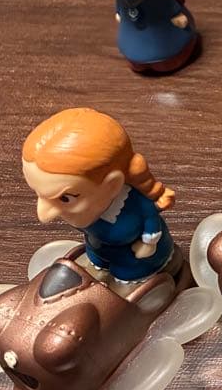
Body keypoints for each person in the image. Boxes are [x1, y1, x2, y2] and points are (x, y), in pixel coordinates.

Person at [21, 107, 181, 289]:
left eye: (64, 198)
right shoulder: (86, 209)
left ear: (112, 185)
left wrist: (148, 245)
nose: (44, 214)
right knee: (96, 266)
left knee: (126, 278)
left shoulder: (136, 204)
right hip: (97, 249)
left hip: (134, 259)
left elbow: (151, 223)